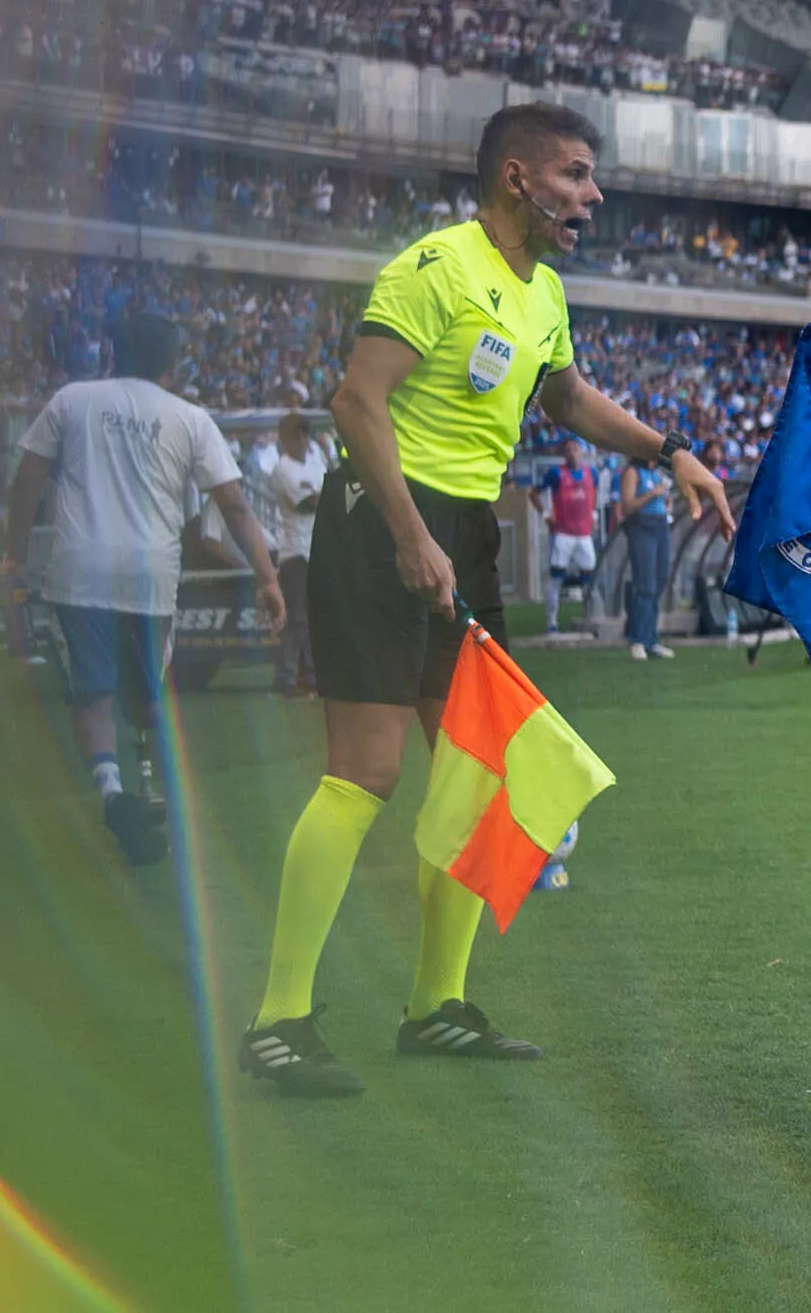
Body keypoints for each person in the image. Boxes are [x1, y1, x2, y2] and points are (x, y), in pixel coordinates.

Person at [240, 103, 734, 1099]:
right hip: (383, 521)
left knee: (478, 775)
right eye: (576, 176)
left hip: (461, 528)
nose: (592, 196)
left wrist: (669, 450)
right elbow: (354, 401)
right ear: (518, 178)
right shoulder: (436, 268)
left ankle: (436, 1007)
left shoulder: (542, 291)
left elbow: (566, 396)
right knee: (366, 773)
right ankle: (278, 1021)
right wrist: (409, 534)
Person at [0, 312, 286, 866]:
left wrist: (13, 553)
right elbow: (234, 505)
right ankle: (155, 788)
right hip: (150, 576)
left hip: (80, 570)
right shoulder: (190, 418)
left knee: (94, 696)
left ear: (112, 351)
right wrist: (267, 578)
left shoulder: (72, 400)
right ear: (171, 366)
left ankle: (114, 794)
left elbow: (27, 476)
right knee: (149, 696)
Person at [253, 405, 329, 697]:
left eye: (305, 435)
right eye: (298, 436)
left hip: (316, 549)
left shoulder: (314, 460)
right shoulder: (283, 467)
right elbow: (307, 503)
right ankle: (288, 678)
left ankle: (309, 676)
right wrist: (324, 495)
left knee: (312, 616)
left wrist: (322, 495)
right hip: (294, 551)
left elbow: (325, 495)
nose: (304, 441)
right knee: (296, 617)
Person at [613, 453, 673, 661]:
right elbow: (628, 505)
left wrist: (667, 501)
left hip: (660, 524)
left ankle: (651, 639)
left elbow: (664, 499)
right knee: (645, 584)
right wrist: (653, 494)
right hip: (641, 526)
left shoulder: (655, 473)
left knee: (659, 580)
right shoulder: (632, 472)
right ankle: (637, 640)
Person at [538, 455, 601, 635]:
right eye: (569, 448)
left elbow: (593, 493)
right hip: (563, 534)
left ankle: (592, 618)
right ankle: (551, 622)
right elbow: (534, 492)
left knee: (590, 578)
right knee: (556, 577)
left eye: (576, 448)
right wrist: (545, 514)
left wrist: (594, 515)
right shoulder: (556, 473)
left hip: (584, 534)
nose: (573, 452)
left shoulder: (591, 473)